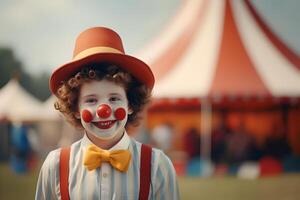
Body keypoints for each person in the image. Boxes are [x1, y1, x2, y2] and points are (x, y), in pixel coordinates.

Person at [35, 27, 179, 200]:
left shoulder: (158, 166)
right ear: (76, 109)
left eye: (113, 99)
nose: (104, 111)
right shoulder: (55, 166)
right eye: (91, 100)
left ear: (130, 104)